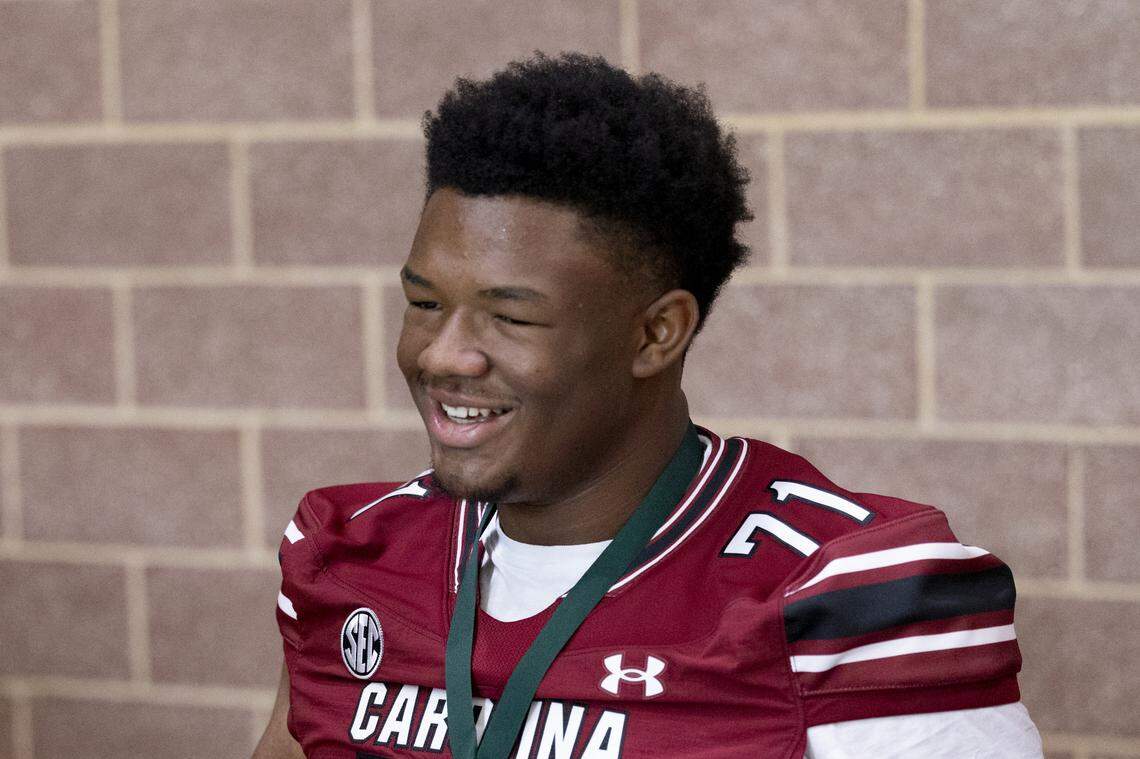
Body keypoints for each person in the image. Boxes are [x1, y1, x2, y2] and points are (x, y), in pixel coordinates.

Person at [254, 53, 1042, 758]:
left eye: (512, 316)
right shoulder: (351, 556)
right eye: (425, 304)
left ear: (656, 333)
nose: (443, 354)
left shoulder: (834, 593)